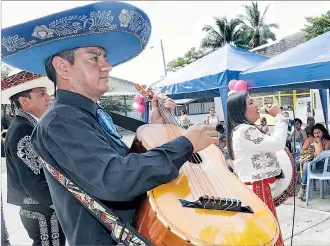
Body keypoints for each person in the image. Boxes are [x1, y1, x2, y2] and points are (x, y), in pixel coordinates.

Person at [1, 2, 218, 245]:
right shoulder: (61, 120)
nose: (107, 66)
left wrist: (154, 128)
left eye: (104, 57)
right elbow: (115, 179)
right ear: (63, 67)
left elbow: (118, 162)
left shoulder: (85, 113)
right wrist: (185, 144)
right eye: (94, 57)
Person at [2, 71, 66, 245]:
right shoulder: (24, 129)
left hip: (38, 207)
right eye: (41, 94)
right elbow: (33, 179)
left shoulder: (27, 125)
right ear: (24, 101)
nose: (48, 98)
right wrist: (58, 204)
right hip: (41, 209)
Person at [226, 91, 293, 246]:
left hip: (257, 187)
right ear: (240, 111)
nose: (257, 105)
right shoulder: (244, 130)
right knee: (266, 231)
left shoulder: (242, 129)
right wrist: (279, 117)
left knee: (261, 231)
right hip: (258, 188)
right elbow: (278, 143)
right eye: (251, 103)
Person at [297, 123, 330, 201]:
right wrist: (308, 151)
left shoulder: (328, 141)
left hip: (323, 164)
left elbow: (322, 155)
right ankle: (303, 189)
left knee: (307, 165)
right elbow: (302, 151)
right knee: (306, 164)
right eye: (315, 133)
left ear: (323, 132)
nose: (316, 135)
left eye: (319, 132)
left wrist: (319, 143)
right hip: (311, 162)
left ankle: (302, 189)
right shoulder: (310, 139)